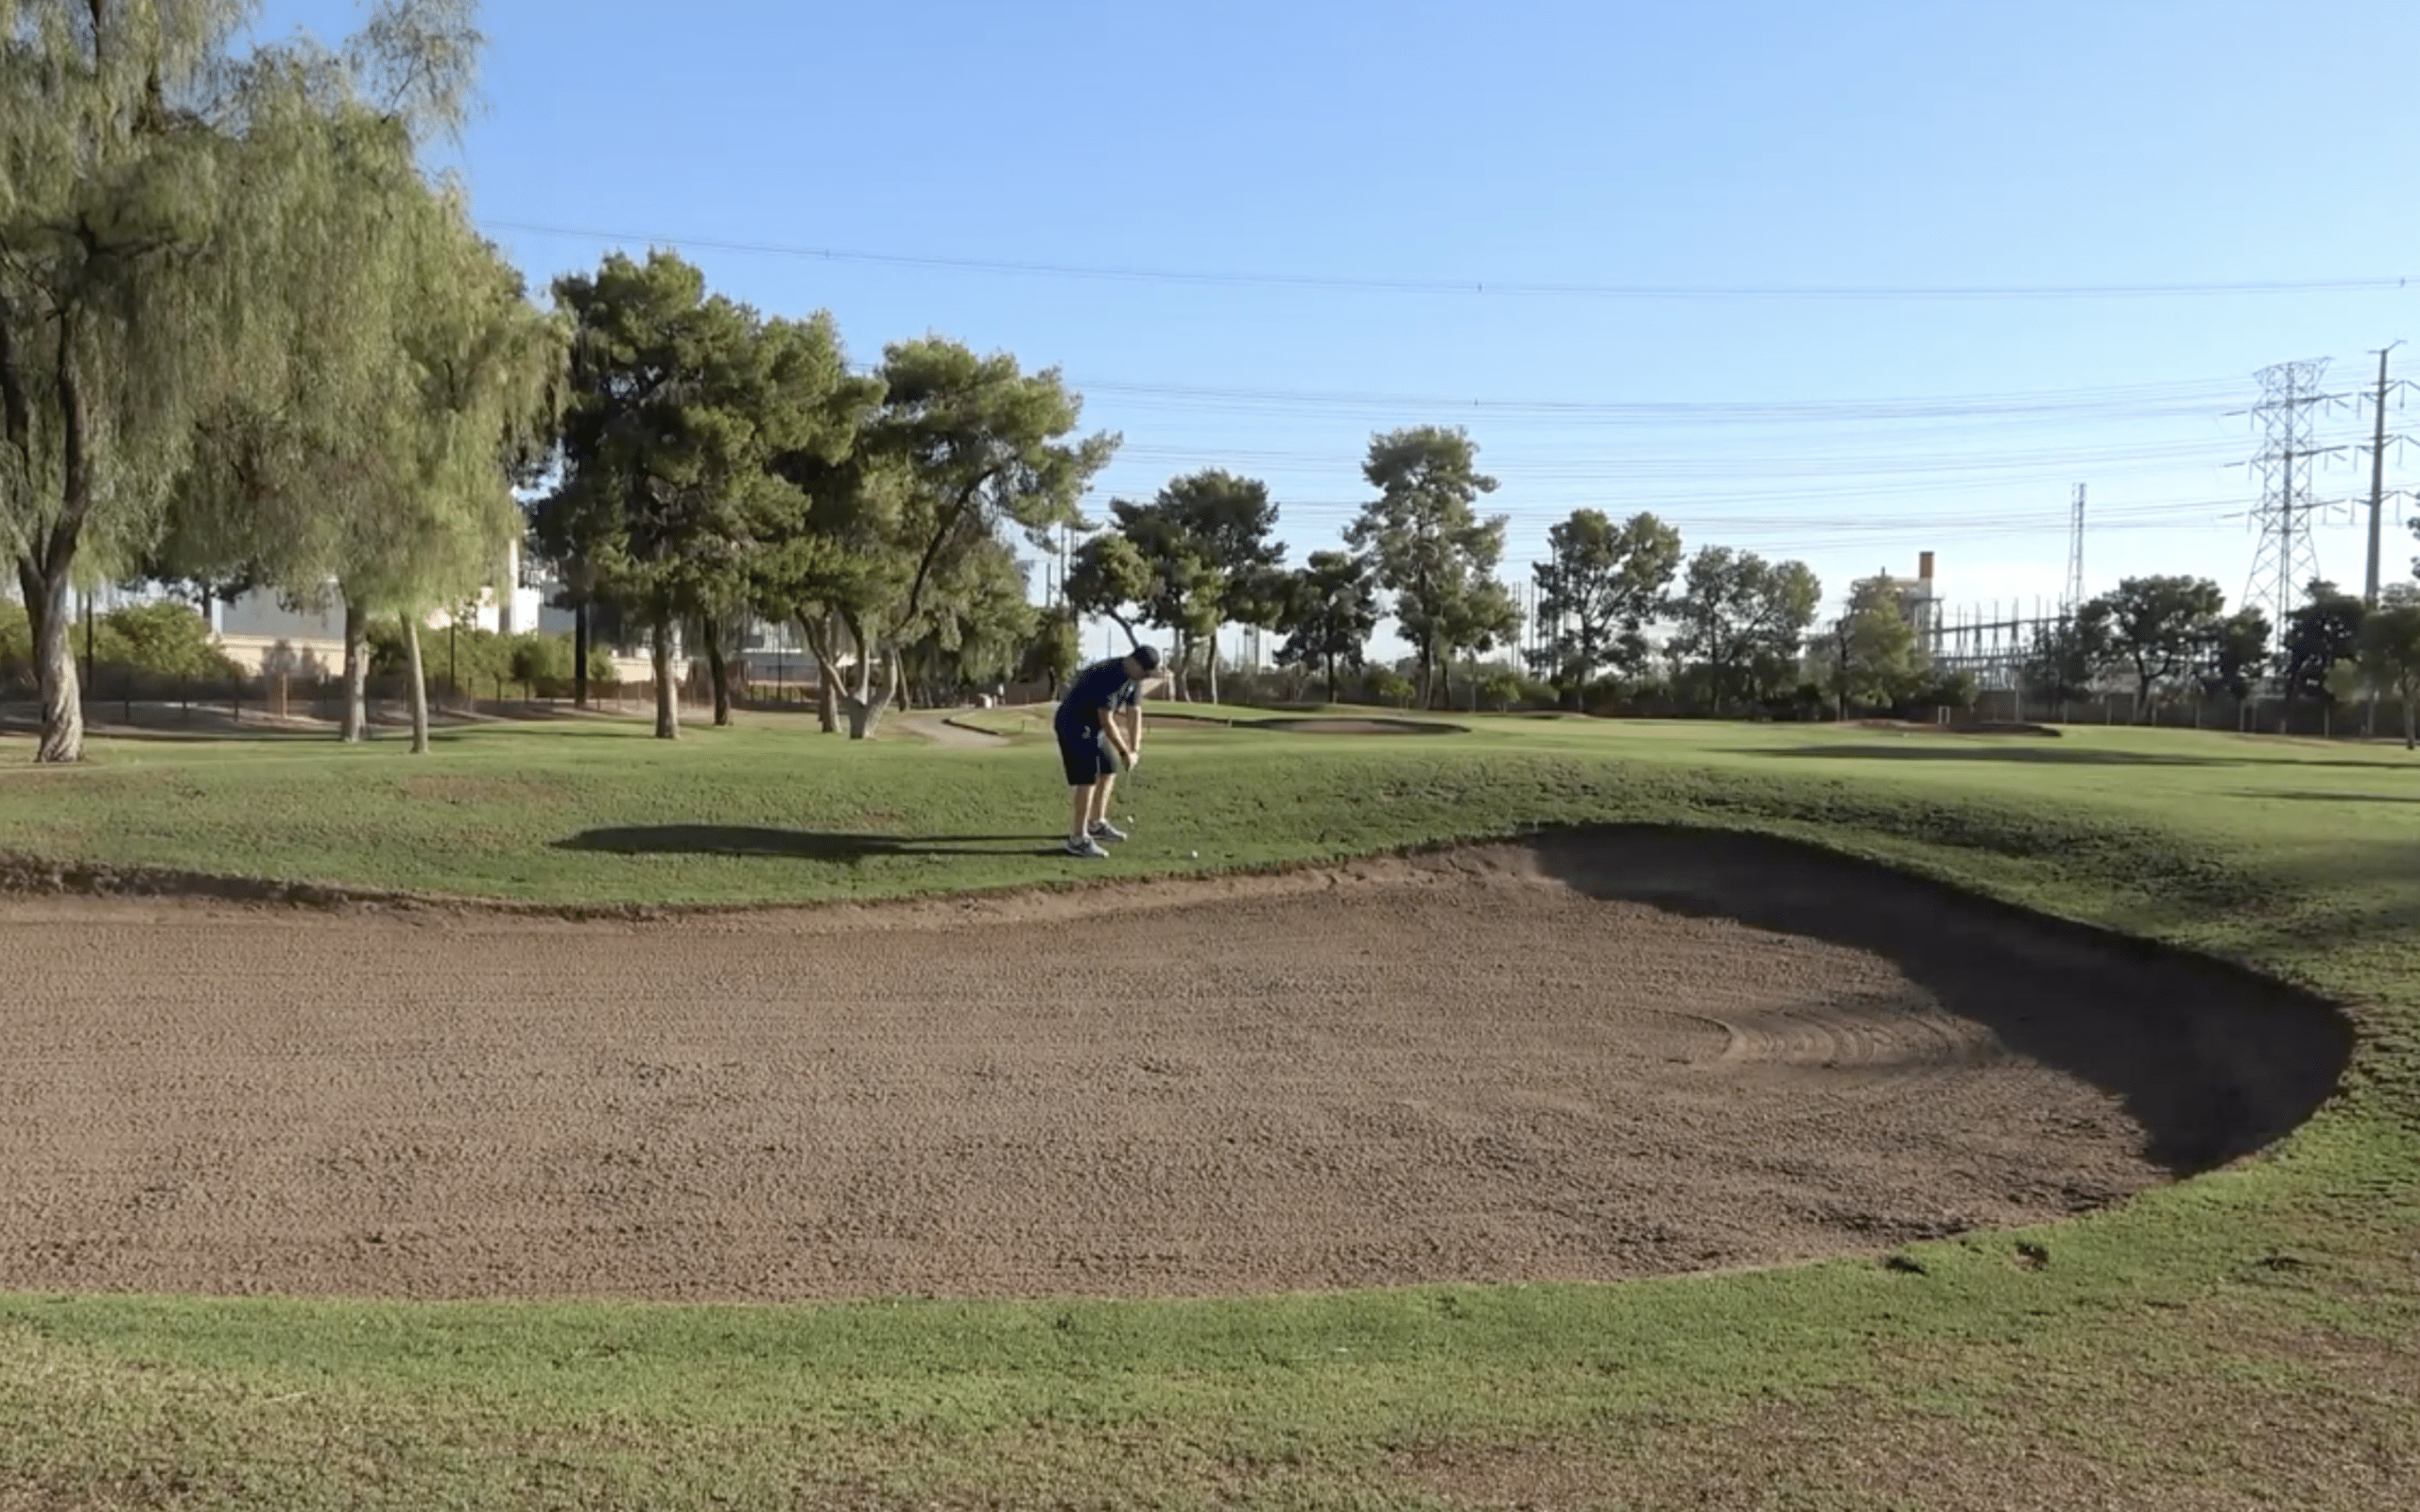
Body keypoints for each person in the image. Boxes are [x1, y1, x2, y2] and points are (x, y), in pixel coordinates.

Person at [1054, 644, 1159, 858]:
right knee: (1088, 777)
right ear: (1134, 663)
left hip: (1093, 726)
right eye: (1145, 672)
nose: (1146, 678)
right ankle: (1078, 839)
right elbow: (1107, 720)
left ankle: (1096, 823)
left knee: (1108, 769)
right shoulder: (1110, 675)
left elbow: (1134, 712)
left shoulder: (1134, 678)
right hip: (1073, 723)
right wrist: (1124, 752)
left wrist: (1135, 749)